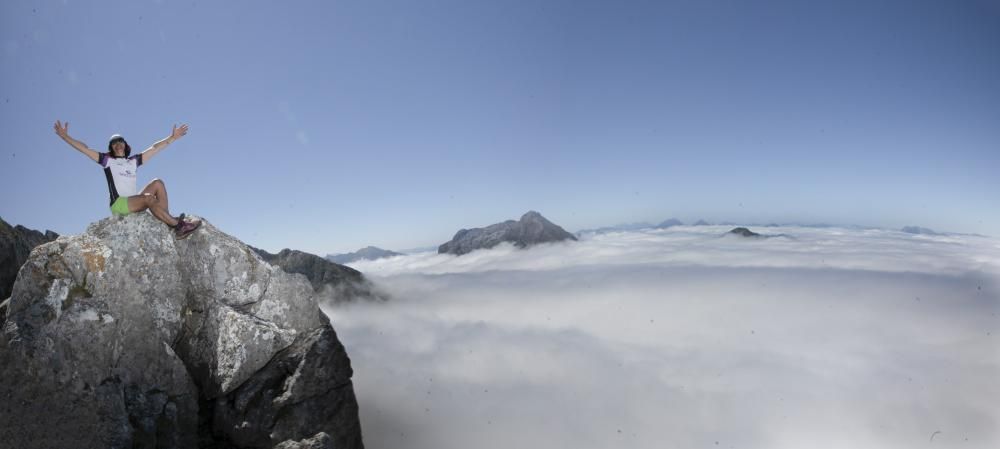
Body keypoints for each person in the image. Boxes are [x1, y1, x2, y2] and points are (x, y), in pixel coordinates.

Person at [53, 120, 202, 240]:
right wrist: (65, 137)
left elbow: (154, 148)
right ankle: (178, 226)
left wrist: (173, 138)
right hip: (119, 204)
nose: (118, 144)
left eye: (120, 141)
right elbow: (85, 148)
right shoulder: (107, 161)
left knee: (158, 183)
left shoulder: (133, 161)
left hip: (132, 200)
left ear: (125, 145)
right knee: (149, 198)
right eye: (114, 143)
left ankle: (167, 220)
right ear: (111, 147)